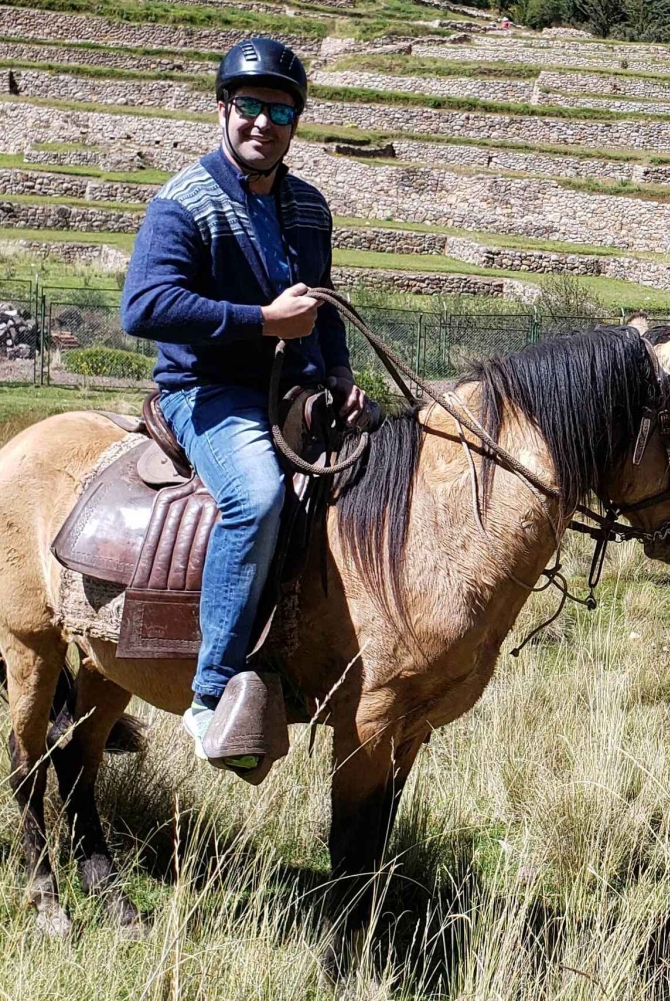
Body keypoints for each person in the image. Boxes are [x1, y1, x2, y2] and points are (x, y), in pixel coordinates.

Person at [121, 37, 367, 772]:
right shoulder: (182, 202)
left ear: (295, 125)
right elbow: (145, 305)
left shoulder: (310, 208)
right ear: (223, 109)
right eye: (251, 106)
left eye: (280, 112)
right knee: (257, 497)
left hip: (297, 385)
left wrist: (342, 374)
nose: (264, 122)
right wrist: (260, 322)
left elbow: (318, 306)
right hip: (208, 390)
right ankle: (209, 692)